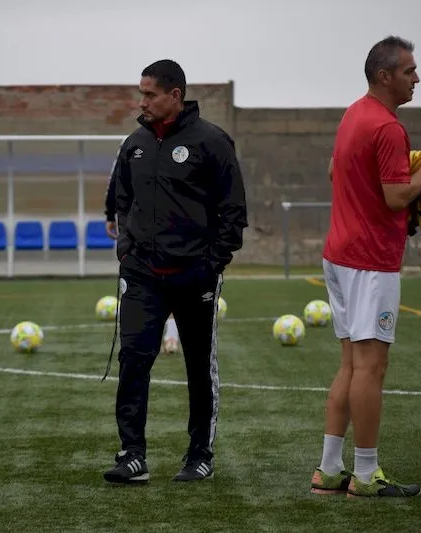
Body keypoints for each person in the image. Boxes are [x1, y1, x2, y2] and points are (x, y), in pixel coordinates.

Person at [309, 36, 421, 498]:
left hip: (339, 254)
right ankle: (367, 475)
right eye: (409, 70)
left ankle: (329, 470)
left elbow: (337, 173)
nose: (416, 78)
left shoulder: (354, 113)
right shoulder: (389, 127)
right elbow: (396, 197)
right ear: (385, 76)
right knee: (372, 368)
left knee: (351, 364)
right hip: (369, 261)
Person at [102, 59, 248, 484]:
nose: (142, 101)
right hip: (143, 275)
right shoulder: (135, 144)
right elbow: (123, 201)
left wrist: (211, 264)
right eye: (141, 93)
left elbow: (233, 211)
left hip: (195, 277)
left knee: (199, 367)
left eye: (149, 94)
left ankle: (199, 454)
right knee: (133, 360)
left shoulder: (213, 142)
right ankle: (132, 454)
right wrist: (127, 249)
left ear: (174, 96)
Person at [104, 165, 181, 355]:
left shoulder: (179, 142)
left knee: (170, 278)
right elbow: (116, 179)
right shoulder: (131, 145)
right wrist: (110, 212)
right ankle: (143, 338)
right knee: (142, 284)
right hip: (137, 226)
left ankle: (171, 335)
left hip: (169, 222)